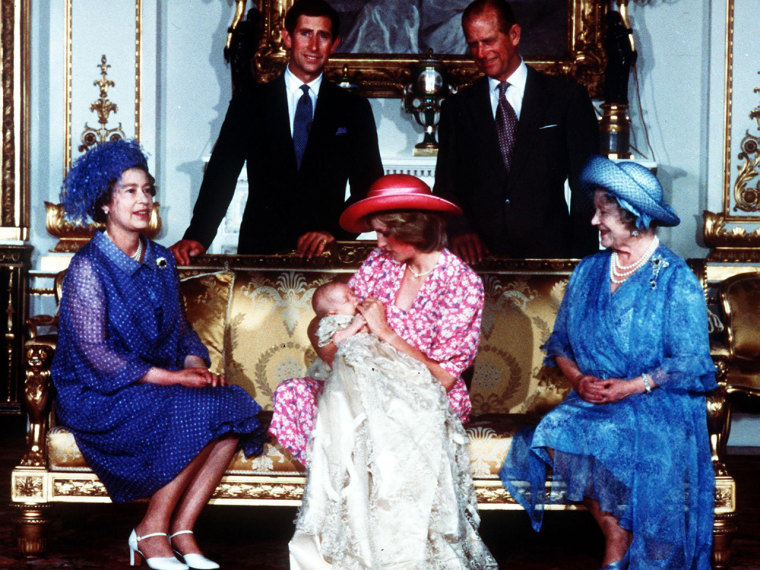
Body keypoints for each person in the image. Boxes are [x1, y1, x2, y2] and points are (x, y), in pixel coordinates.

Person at [51, 140, 266, 570]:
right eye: (129, 191)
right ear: (105, 203)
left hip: (154, 380)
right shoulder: (88, 268)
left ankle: (181, 530)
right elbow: (96, 356)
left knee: (233, 405)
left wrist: (193, 364)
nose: (143, 200)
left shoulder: (163, 260)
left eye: (147, 190)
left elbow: (182, 331)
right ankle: (150, 530)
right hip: (99, 393)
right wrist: (173, 379)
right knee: (194, 410)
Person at [499, 156, 716, 569]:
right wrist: (579, 380)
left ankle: (618, 549)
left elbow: (691, 361)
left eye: (603, 211)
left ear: (633, 215)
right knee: (556, 427)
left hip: (656, 400)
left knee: (614, 434)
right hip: (593, 398)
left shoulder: (675, 277)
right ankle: (619, 535)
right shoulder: (589, 270)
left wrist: (632, 386)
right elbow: (560, 344)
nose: (594, 221)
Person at [270, 174, 496, 568]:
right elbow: (330, 328)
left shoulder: (461, 284)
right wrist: (340, 346)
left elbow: (443, 377)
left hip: (423, 397)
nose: (378, 244)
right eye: (376, 233)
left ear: (418, 227)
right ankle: (352, 538)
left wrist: (387, 332)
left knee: (372, 427)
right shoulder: (380, 264)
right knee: (295, 394)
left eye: (387, 233)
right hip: (362, 387)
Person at [170, 0, 383, 262]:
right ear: (287, 38)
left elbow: (370, 190)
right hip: (260, 252)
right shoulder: (249, 102)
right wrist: (198, 236)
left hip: (326, 255)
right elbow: (221, 175)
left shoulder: (354, 108)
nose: (313, 46)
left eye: (323, 36)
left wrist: (336, 234)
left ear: (334, 44)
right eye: (305, 33)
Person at [434, 0, 600, 262]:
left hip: (551, 255)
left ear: (514, 35)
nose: (480, 52)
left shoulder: (566, 98)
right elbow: (445, 187)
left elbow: (587, 187)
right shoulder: (457, 107)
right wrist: (458, 228)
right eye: (473, 44)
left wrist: (584, 262)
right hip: (480, 259)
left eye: (488, 41)